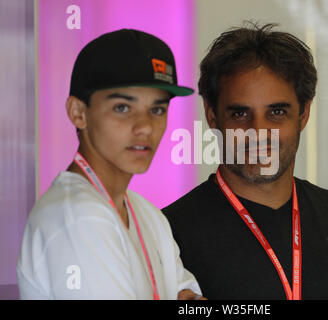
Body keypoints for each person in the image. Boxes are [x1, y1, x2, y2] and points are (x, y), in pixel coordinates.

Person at [163, 24, 328, 300]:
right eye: (239, 114)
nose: (258, 132)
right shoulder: (168, 233)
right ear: (212, 115)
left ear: (304, 114)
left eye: (277, 112)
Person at [17, 29, 204, 300]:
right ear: (78, 113)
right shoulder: (78, 216)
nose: (144, 127)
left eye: (157, 109)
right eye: (122, 107)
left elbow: (187, 297)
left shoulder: (147, 214)